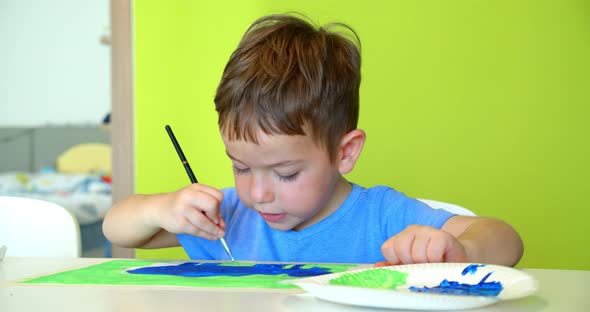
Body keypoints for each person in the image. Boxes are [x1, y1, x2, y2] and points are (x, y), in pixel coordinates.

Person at [103, 14, 523, 266]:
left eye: (286, 173)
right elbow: (118, 228)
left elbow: (506, 239)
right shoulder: (227, 219)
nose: (258, 193)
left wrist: (457, 250)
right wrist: (162, 207)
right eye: (241, 166)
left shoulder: (381, 216)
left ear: (345, 152)